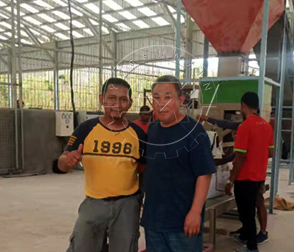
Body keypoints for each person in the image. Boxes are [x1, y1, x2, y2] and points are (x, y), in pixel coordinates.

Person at [53, 77, 147, 252]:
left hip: (127, 206)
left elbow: (142, 168)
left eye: (123, 99)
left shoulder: (138, 133)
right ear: (101, 99)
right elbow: (61, 164)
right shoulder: (86, 129)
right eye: (111, 98)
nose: (117, 104)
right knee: (83, 246)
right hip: (93, 203)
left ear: (130, 103)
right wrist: (67, 161)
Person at [141, 75, 216, 252]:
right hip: (153, 221)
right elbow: (150, 168)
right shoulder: (152, 130)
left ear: (180, 100)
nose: (162, 103)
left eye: (168, 97)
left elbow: (204, 174)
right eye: (157, 98)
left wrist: (195, 212)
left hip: (182, 223)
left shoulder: (194, 131)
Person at [197, 114, 270, 245]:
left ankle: (254, 239)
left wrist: (230, 180)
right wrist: (208, 118)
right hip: (259, 173)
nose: (236, 134)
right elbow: (226, 124)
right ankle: (250, 232)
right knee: (253, 203)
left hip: (251, 175)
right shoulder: (262, 126)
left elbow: (239, 156)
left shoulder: (247, 127)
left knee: (251, 205)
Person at [224, 92, 274, 252]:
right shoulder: (267, 126)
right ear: (258, 106)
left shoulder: (244, 127)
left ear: (243, 105)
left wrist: (231, 180)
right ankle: (245, 236)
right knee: (252, 207)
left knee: (246, 213)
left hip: (245, 177)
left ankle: (252, 248)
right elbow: (271, 153)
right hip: (259, 176)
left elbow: (240, 157)